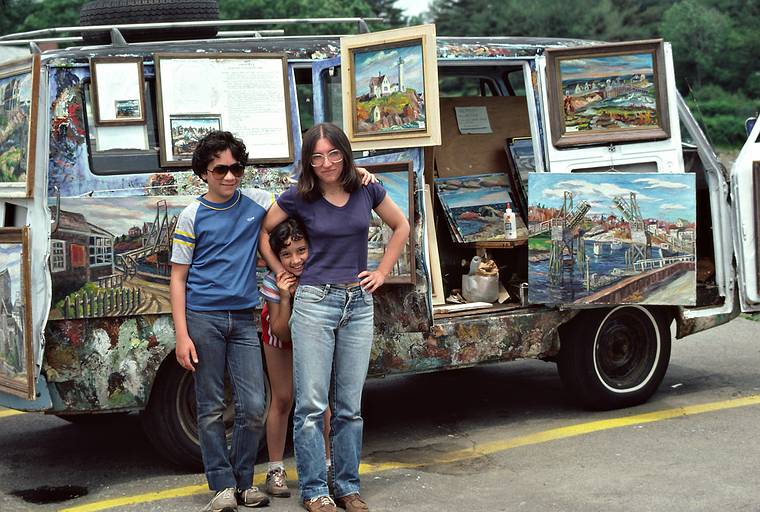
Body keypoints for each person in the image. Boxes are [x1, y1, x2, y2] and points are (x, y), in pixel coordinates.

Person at [260, 122, 410, 512]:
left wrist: (381, 272)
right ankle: (314, 491)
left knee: (350, 405)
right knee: (311, 405)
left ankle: (346, 486)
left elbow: (401, 225)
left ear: (345, 153)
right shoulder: (299, 196)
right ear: (308, 161)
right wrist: (281, 272)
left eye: (334, 154)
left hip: (358, 303)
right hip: (314, 301)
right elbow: (263, 232)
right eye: (317, 156)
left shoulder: (366, 188)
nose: (327, 163)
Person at [170, 130, 279, 512]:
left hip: (244, 319)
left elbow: (303, 197)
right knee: (210, 406)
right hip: (203, 319)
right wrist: (182, 335)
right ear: (203, 172)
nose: (230, 177)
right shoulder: (191, 215)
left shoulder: (257, 202)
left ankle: (244, 482)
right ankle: (221, 486)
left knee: (253, 406)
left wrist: (362, 176)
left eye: (236, 169)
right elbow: (178, 278)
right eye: (220, 170)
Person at [259, 217, 331, 498]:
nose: (295, 260)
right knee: (283, 397)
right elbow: (281, 331)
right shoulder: (273, 282)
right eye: (286, 254)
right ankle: (275, 468)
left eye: (301, 250)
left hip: (312, 334)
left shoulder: (319, 274)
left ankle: (326, 464)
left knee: (319, 400)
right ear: (276, 257)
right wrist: (286, 297)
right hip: (281, 331)